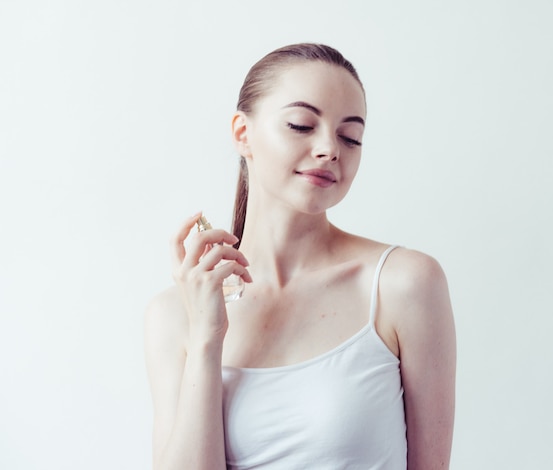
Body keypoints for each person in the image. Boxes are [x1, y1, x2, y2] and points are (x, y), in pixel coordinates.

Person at [144, 43, 456, 470]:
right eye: (301, 125)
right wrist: (206, 337)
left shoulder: (403, 283)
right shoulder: (174, 314)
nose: (331, 148)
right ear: (242, 133)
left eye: (351, 136)